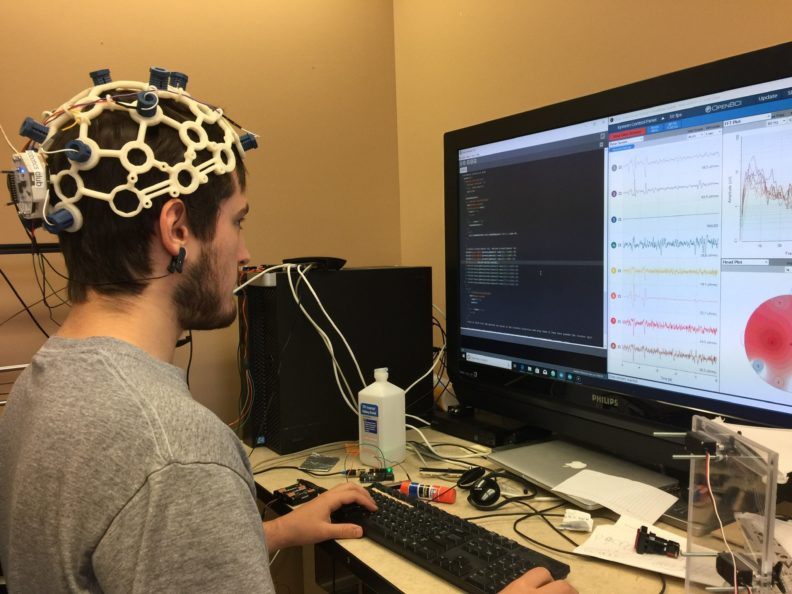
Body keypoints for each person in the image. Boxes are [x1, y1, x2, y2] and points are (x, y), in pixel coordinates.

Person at [0, 71, 577, 594]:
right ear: (177, 228)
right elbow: (158, 497)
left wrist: (262, 532)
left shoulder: (43, 383)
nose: (247, 254)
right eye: (237, 222)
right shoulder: (177, 455)